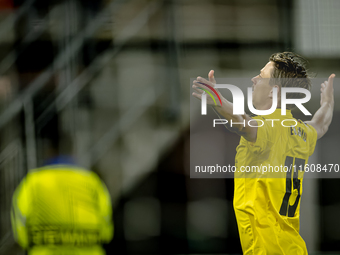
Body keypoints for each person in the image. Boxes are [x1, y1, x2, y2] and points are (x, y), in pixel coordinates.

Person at [192, 52, 335, 254]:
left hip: (267, 248)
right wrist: (328, 102)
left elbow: (242, 123)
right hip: (293, 247)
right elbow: (321, 124)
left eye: (261, 76)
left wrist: (218, 100)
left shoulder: (269, 127)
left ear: (273, 92)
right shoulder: (302, 132)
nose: (254, 79)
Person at [11, 138, 113, 255]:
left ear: (48, 152)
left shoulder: (33, 181)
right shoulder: (91, 181)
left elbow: (19, 218)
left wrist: (27, 242)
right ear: (72, 152)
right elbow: (106, 219)